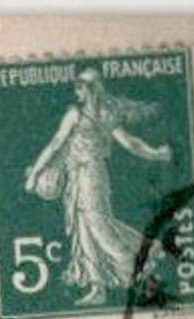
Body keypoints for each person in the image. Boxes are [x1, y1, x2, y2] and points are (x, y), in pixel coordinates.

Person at [23, 68, 172, 306]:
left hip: (91, 176)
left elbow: (129, 143)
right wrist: (37, 173)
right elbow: (56, 144)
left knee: (99, 226)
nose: (77, 91)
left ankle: (137, 268)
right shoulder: (83, 113)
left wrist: (155, 154)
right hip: (76, 177)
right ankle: (97, 288)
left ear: (90, 89)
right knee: (84, 230)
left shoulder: (98, 114)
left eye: (81, 87)